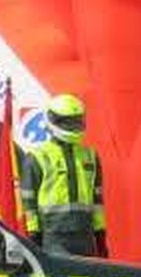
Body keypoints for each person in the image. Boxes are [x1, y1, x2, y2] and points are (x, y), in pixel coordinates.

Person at [20, 94, 106, 257]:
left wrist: (100, 235)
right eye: (68, 122)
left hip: (85, 235)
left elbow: (98, 201)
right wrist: (34, 233)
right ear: (52, 121)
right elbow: (28, 201)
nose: (73, 126)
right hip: (53, 236)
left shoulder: (91, 156)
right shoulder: (37, 157)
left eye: (76, 121)